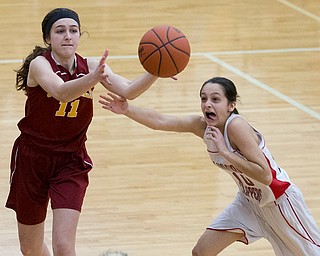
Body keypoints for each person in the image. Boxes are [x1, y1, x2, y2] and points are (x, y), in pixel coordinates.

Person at [99, 76, 320, 255]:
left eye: (215, 99)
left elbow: (265, 176)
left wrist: (225, 152)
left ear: (231, 106)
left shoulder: (237, 127)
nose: (207, 104)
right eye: (203, 98)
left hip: (279, 202)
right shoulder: (203, 127)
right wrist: (127, 109)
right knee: (201, 252)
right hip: (249, 202)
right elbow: (161, 121)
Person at [5, 7, 163, 256]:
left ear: (79, 35)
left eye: (73, 30)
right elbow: (62, 92)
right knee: (30, 249)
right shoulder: (39, 65)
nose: (67, 36)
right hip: (32, 160)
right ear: (48, 39)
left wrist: (156, 70)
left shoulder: (91, 65)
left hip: (70, 161)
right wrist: (93, 77)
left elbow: (129, 91)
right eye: (60, 31)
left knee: (64, 247)